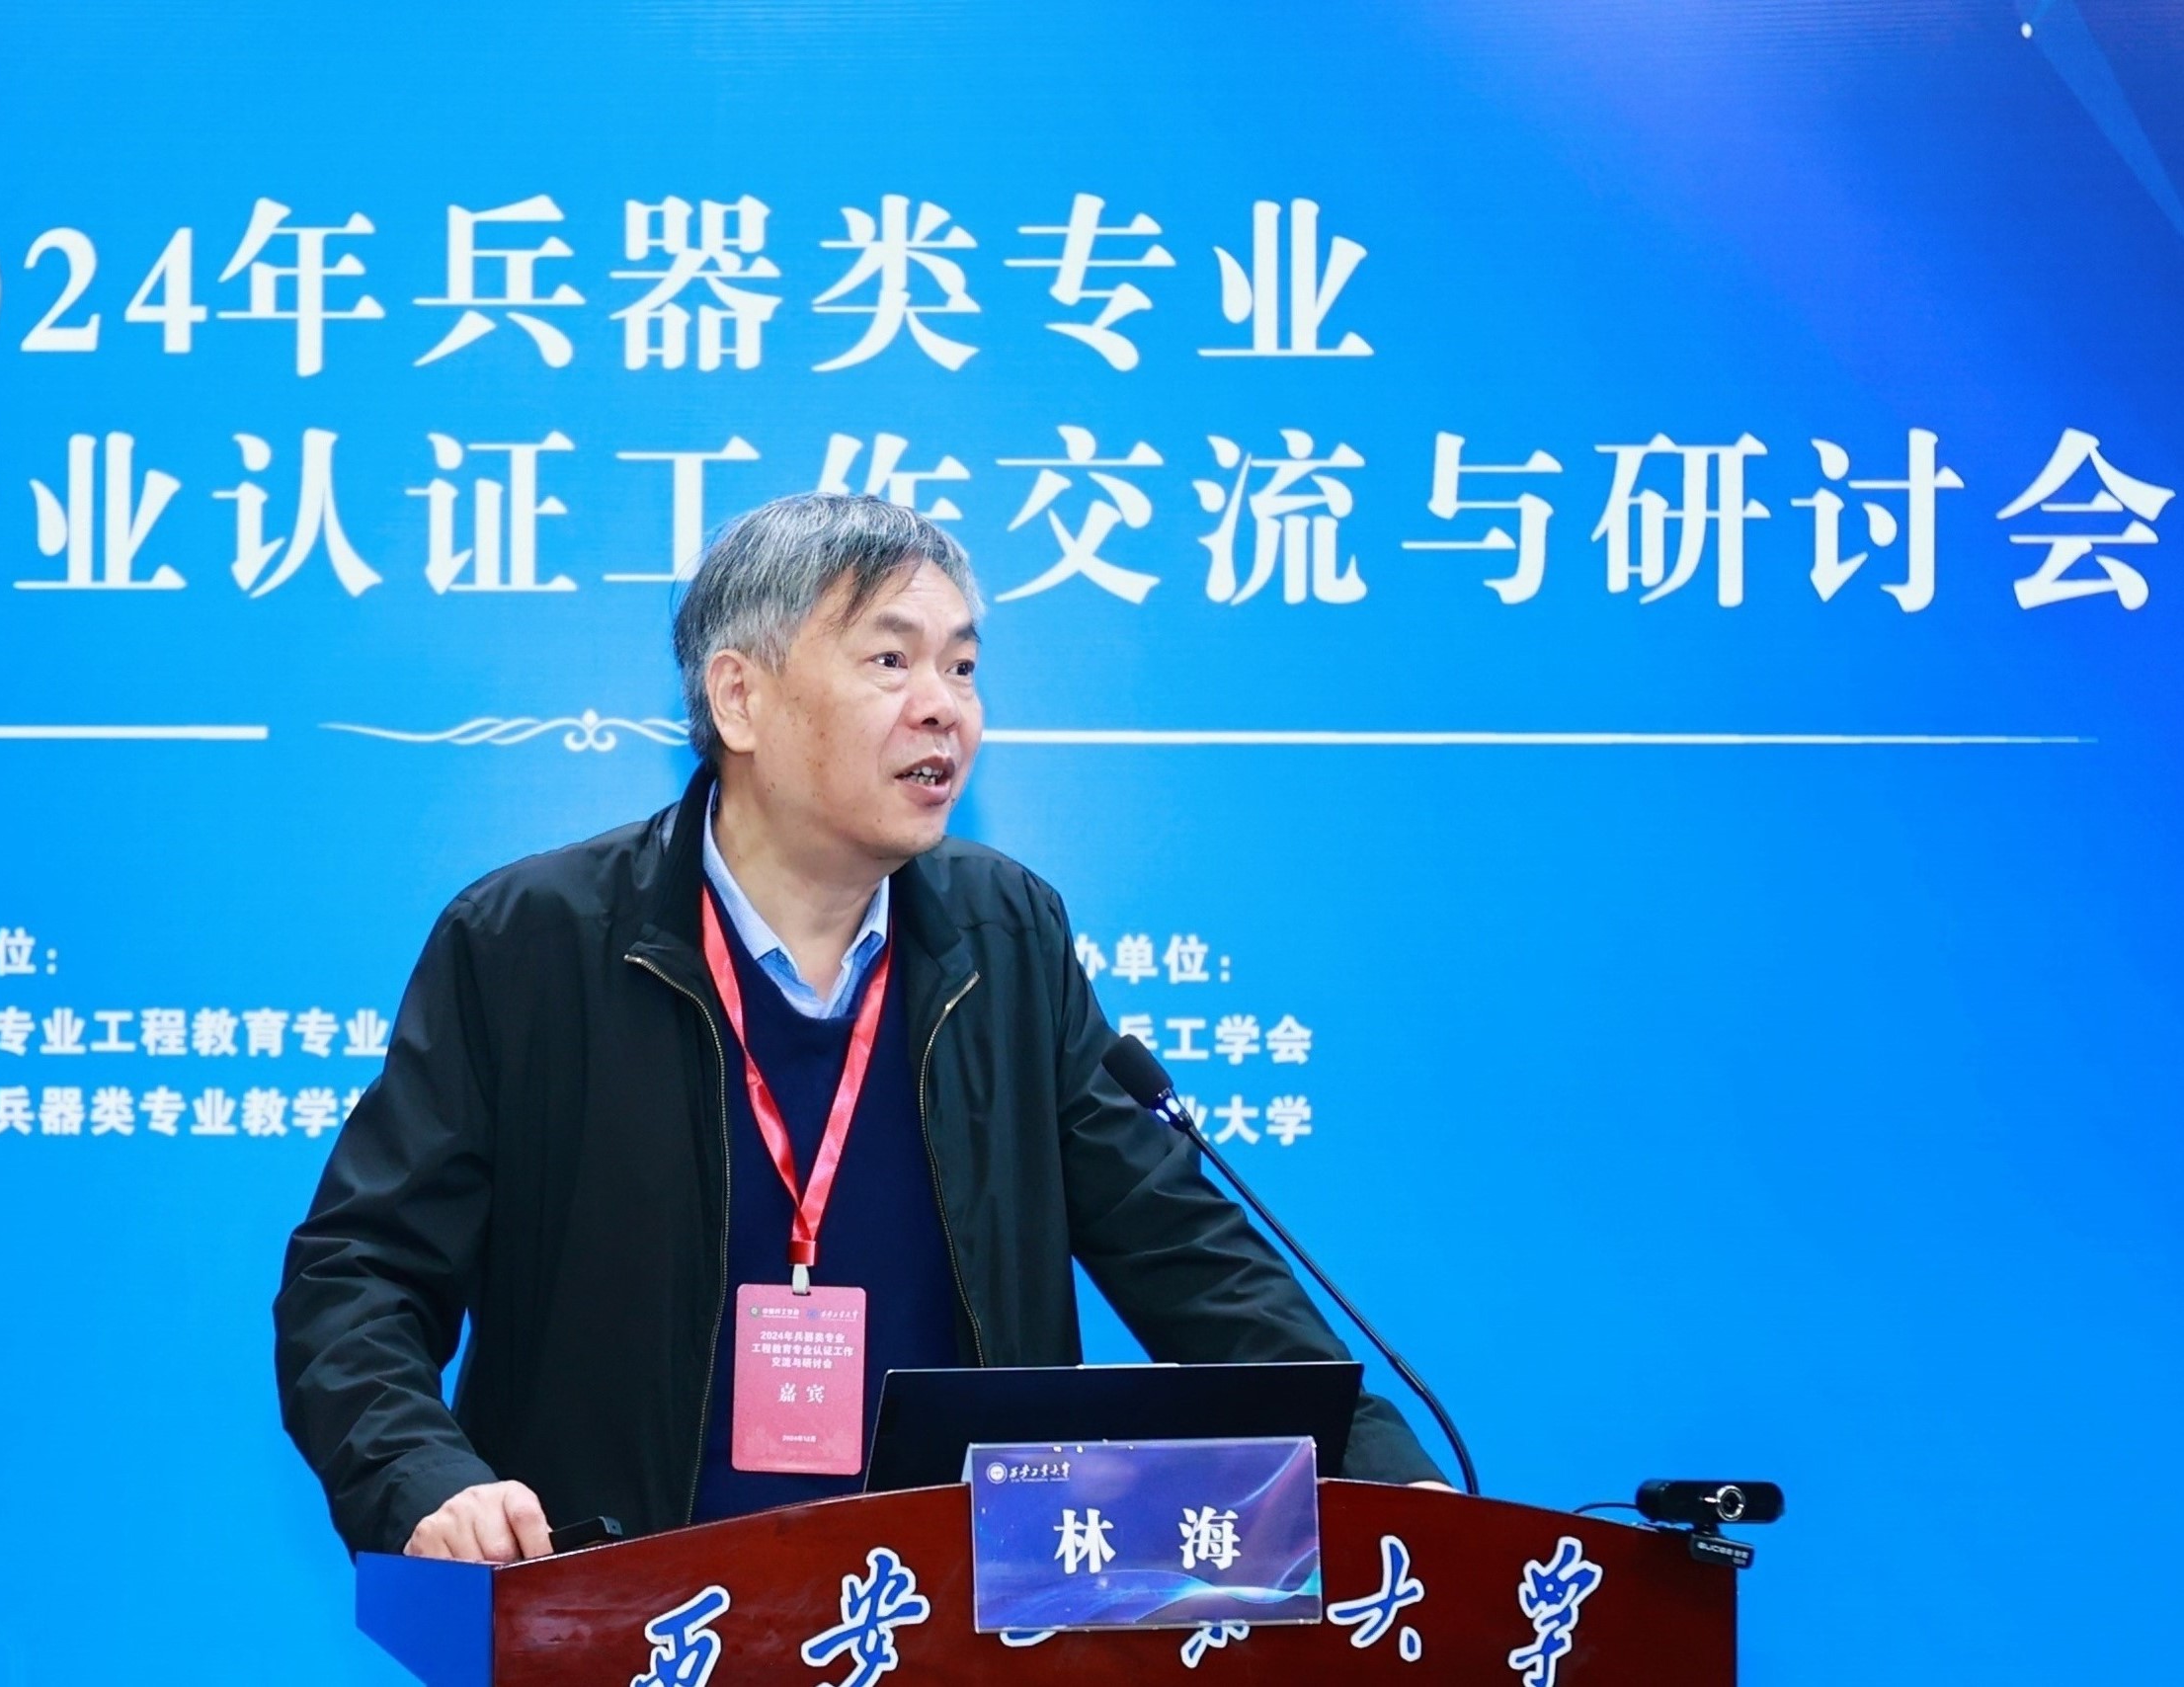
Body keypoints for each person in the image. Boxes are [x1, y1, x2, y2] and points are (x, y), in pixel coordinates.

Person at [274, 494, 1442, 1564]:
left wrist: (1379, 1470)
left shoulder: (1004, 938)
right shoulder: (533, 943)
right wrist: (424, 1481)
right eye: (890, 659)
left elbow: (1178, 1245)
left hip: (957, 1623)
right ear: (739, 698)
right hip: (626, 1616)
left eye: (962, 667)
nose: (944, 706)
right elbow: (357, 1274)